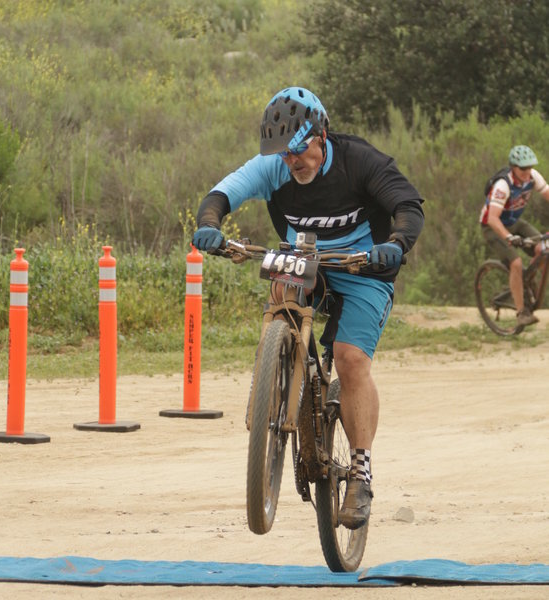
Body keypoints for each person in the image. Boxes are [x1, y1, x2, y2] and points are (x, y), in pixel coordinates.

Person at [193, 86, 424, 529]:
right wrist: (209, 225)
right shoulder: (274, 167)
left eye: (300, 150)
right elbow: (220, 195)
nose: (292, 161)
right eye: (283, 154)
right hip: (303, 258)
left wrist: (395, 245)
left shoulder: (359, 161)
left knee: (351, 359)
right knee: (280, 301)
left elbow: (407, 206)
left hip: (362, 264)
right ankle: (279, 383)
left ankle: (360, 470)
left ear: (322, 135)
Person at [479, 145, 549, 327]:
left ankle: (526, 281)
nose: (527, 171)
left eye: (530, 167)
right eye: (523, 168)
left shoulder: (533, 176)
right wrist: (509, 238)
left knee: (543, 248)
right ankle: (521, 312)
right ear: (513, 167)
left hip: (514, 222)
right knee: (516, 263)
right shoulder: (503, 185)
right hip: (492, 226)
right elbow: (493, 218)